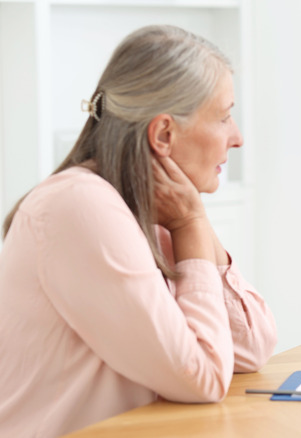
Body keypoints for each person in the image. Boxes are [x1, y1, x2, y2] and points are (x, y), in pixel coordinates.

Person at [0, 25, 277, 437]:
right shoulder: (81, 206)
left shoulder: (150, 210)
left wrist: (190, 224)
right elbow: (203, 378)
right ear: (164, 133)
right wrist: (192, 223)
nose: (236, 138)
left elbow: (251, 346)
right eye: (224, 117)